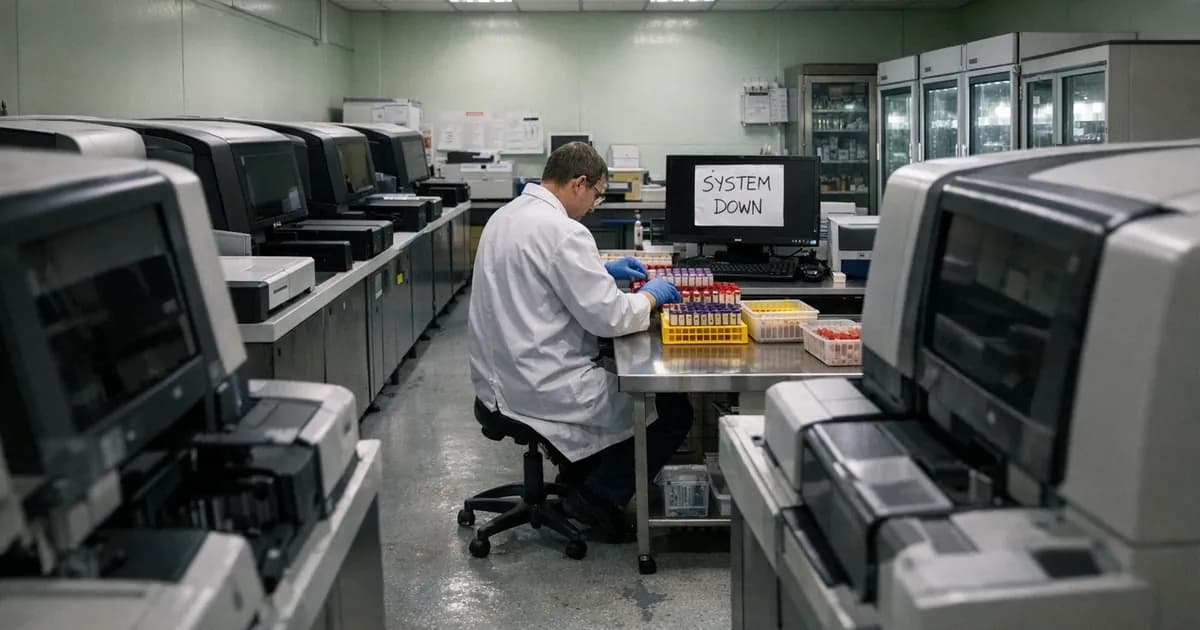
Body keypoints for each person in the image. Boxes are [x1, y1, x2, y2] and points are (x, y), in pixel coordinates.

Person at [468, 142, 691, 541]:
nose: (595, 206)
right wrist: (651, 295)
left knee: (614, 379)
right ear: (579, 183)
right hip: (538, 383)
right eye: (597, 195)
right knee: (670, 408)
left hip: (497, 379)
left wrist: (602, 269)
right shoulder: (563, 231)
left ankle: (578, 476)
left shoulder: (507, 215)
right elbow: (610, 318)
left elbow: (537, 271)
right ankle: (595, 499)